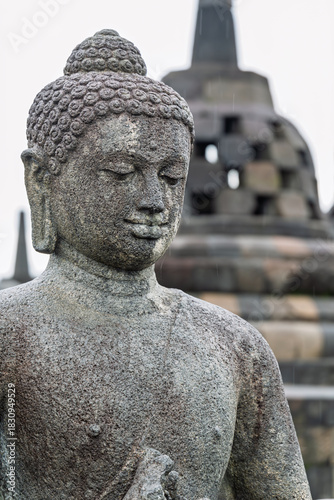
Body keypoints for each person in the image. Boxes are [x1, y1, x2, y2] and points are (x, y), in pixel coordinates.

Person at [0, 30, 311, 500]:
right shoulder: (8, 333)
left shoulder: (235, 347)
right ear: (42, 178)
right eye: (121, 173)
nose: (153, 201)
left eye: (171, 177)